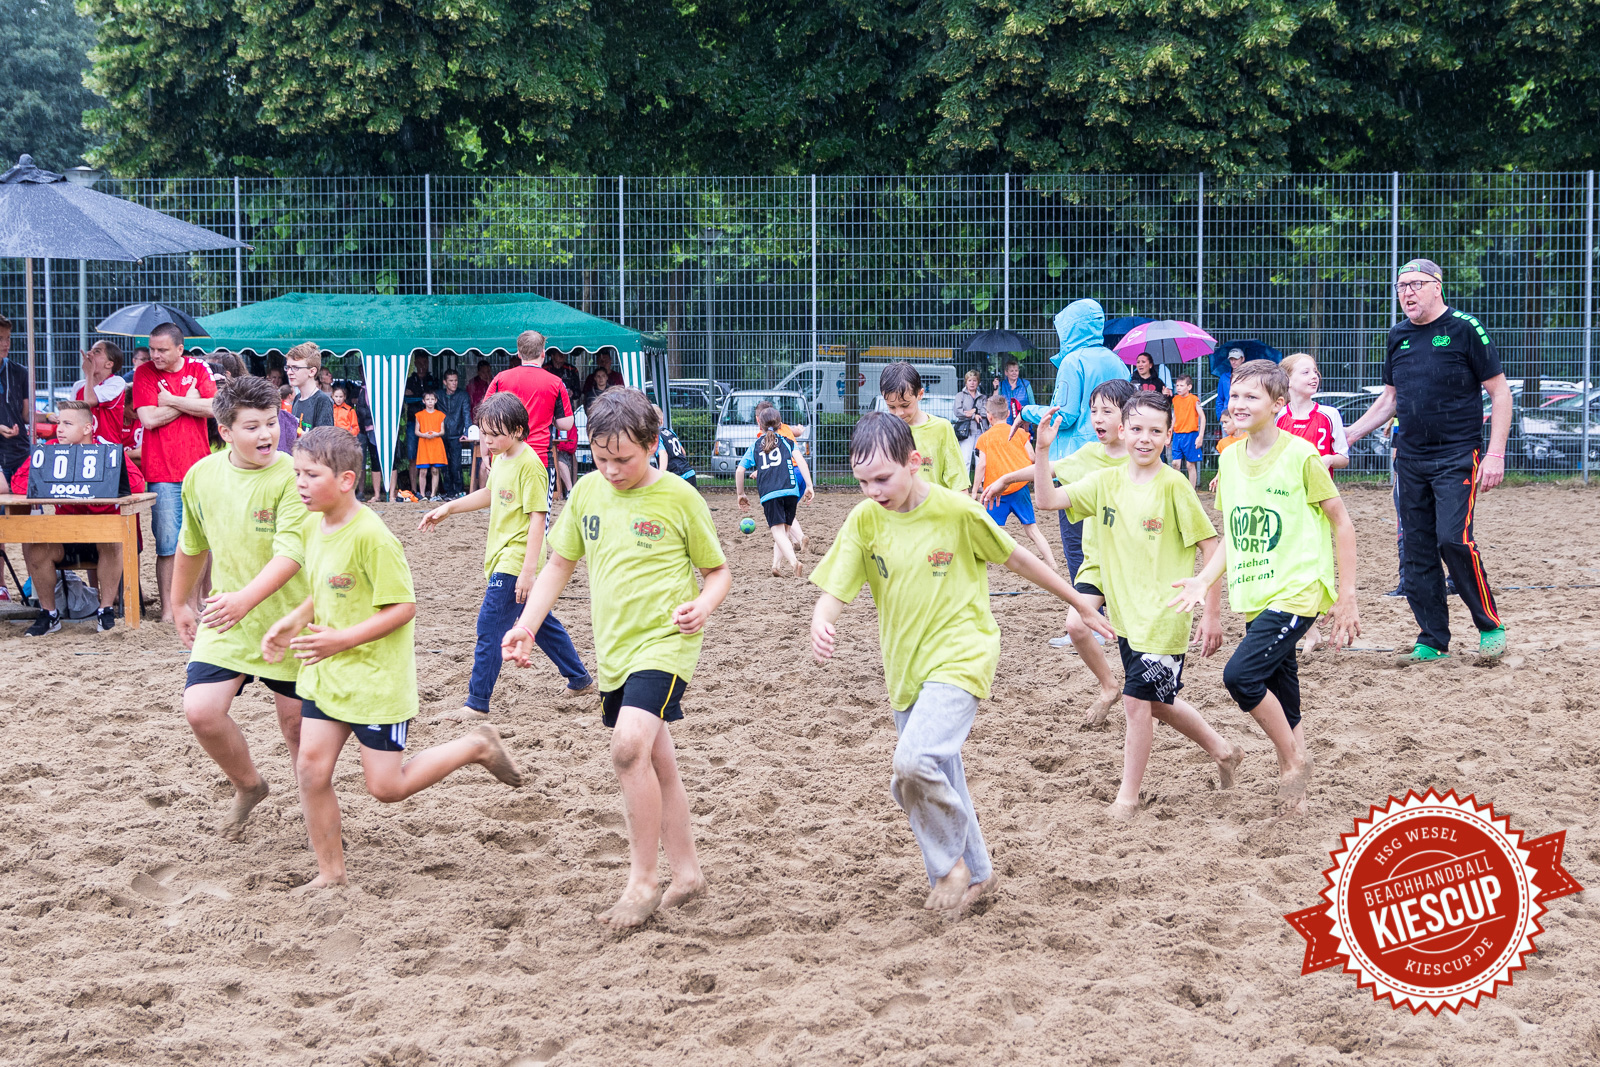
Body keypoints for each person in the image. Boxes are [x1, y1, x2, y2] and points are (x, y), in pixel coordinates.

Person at [810, 413, 1113, 917]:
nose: (872, 491)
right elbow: (837, 586)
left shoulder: (956, 511)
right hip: (904, 669)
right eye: (862, 482)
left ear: (914, 461)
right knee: (938, 774)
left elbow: (1017, 559)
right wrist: (821, 620)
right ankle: (978, 873)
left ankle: (949, 867)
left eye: (882, 478)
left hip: (963, 654)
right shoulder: (864, 519)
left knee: (912, 765)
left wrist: (1078, 601)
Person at [503, 388, 730, 928]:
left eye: (622, 459)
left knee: (628, 749)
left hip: (666, 643)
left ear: (651, 445)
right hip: (615, 650)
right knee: (656, 762)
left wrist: (703, 606)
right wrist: (527, 626)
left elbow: (718, 573)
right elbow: (559, 565)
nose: (610, 470)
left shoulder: (680, 498)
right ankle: (687, 874)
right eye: (600, 458)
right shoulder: (586, 493)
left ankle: (642, 882)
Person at [262, 427, 524, 893]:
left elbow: (403, 608)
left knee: (386, 788)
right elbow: (324, 589)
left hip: (376, 683)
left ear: (346, 480)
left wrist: (341, 640)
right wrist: (292, 621)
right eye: (297, 473)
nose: (299, 483)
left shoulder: (373, 537)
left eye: (311, 474)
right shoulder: (311, 525)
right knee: (310, 770)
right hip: (328, 675)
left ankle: (476, 746)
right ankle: (331, 873)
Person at [1171, 360, 1360, 817]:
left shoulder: (1302, 456)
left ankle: (1294, 763)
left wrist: (1347, 596)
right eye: (1235, 396)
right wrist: (1204, 580)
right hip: (1257, 592)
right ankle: (1297, 798)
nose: (1238, 404)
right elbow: (1234, 535)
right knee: (1283, 692)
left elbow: (1342, 523)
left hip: (1299, 589)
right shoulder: (1229, 458)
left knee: (1240, 677)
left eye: (1251, 397)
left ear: (1278, 404)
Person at [1048, 393, 1241, 821]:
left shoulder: (1174, 485)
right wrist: (1043, 450)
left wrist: (1211, 613)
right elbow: (1046, 500)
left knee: (1136, 703)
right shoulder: (1106, 481)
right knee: (1156, 702)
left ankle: (1127, 799)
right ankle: (1223, 750)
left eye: (1156, 430)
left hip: (1165, 616)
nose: (1145, 438)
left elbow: (1211, 545)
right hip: (1127, 616)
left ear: (1169, 436)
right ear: (1123, 431)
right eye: (1136, 428)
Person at [1344, 258, 1510, 663]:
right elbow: (1390, 399)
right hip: (1410, 458)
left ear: (1437, 286)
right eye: (1401, 286)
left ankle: (1490, 625)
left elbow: (1500, 393)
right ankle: (1433, 639)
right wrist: (1348, 435)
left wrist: (1495, 454)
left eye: (1415, 284)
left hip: (1458, 454)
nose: (1407, 293)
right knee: (1416, 549)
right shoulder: (1398, 335)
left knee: (1453, 539)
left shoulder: (1465, 328)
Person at [170, 376, 310, 839]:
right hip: (228, 616)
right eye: (252, 427)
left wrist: (245, 600)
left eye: (271, 422)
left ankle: (318, 826)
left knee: (296, 728)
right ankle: (249, 785)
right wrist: (179, 602)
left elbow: (291, 555)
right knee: (201, 711)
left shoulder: (295, 475)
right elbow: (192, 544)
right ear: (225, 431)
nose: (266, 434)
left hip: (290, 620)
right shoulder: (201, 475)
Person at [419, 391, 595, 723]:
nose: (487, 441)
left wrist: (528, 571)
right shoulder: (500, 457)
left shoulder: (531, 465)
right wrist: (449, 508)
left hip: (516, 561)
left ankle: (476, 703)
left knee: (489, 626)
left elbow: (538, 519)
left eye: (495, 434)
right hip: (503, 557)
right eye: (484, 433)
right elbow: (490, 493)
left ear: (517, 430)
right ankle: (580, 679)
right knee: (540, 622)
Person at [988, 379, 1135, 689]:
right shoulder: (1090, 453)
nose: (1097, 418)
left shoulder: (1142, 458)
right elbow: (1051, 468)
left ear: (1127, 416)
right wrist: (1006, 479)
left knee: (1134, 644)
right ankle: (1109, 684)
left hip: (1132, 564)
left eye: (1106, 411)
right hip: (1097, 563)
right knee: (1075, 625)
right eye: (1093, 411)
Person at [10, 401, 146, 635]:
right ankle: (49, 614)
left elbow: (137, 484)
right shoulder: (49, 450)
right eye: (59, 423)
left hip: (103, 537)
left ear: (87, 428)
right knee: (36, 546)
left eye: (67, 423)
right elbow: (19, 483)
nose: (59, 429)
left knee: (113, 540)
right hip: (66, 537)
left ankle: (105, 610)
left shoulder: (108, 450)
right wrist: (59, 485)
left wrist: (97, 484)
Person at [1017, 299, 1130, 578]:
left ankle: (1086, 602)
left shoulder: (1072, 361)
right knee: (1112, 537)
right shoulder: (1117, 360)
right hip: (1115, 459)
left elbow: (1064, 415)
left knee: (1077, 544)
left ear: (1070, 329)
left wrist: (1026, 412)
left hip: (1076, 463)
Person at [133, 321, 217, 622]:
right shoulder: (144, 373)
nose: (154, 355)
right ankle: (170, 610)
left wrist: (169, 401)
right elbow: (149, 419)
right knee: (167, 544)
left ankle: (191, 605)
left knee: (200, 542)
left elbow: (214, 408)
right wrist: (189, 402)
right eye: (152, 349)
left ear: (180, 349)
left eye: (162, 350)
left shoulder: (199, 367)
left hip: (199, 470)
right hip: (161, 471)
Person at [971, 394, 1054, 564]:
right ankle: (1052, 563)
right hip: (1019, 488)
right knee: (1032, 530)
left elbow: (982, 465)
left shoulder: (985, 438)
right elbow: (1032, 457)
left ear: (989, 416)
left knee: (985, 530)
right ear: (1008, 413)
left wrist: (974, 492)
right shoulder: (1019, 433)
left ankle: (978, 564)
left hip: (996, 492)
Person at [736, 404, 815, 577]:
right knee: (784, 530)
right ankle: (776, 566)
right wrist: (809, 485)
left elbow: (740, 470)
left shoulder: (756, 445)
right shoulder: (787, 441)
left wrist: (741, 494)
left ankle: (794, 563)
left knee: (777, 532)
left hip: (770, 493)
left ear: (760, 424)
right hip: (791, 491)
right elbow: (801, 462)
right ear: (780, 425)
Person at [485, 330, 576, 473]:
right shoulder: (556, 382)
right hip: (540, 458)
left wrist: (485, 454)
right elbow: (566, 424)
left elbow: (484, 417)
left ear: (519, 354)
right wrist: (551, 418)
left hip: (506, 457)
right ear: (543, 353)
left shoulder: (500, 379)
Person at [879, 362, 968, 491]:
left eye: (905, 405)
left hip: (934, 504)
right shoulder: (884, 432)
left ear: (920, 394)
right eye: (891, 407)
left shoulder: (941, 428)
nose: (899, 413)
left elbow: (958, 482)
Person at [1277, 353, 1349, 471]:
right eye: (1306, 372)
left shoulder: (1330, 414)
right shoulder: (1277, 416)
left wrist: (1330, 459)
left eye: (1315, 371)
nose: (1314, 376)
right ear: (1287, 380)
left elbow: (1344, 458)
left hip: (1319, 482)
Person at [0, 314, 28, 483]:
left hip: (20, 454)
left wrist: (50, 417)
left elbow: (26, 416)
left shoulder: (20, 372)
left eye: (8, 338)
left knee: (26, 498)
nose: (6, 344)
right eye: (0, 338)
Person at [285, 343, 334, 435]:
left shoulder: (322, 401)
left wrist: (299, 433)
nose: (289, 372)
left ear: (312, 371)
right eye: (288, 367)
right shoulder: (297, 398)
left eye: (295, 368)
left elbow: (325, 440)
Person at [438, 368, 471, 497]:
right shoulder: (438, 395)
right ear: (445, 382)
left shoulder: (463, 395)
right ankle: (447, 491)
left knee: (456, 465)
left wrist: (467, 432)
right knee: (444, 465)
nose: (454, 383)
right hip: (441, 435)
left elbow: (466, 414)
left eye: (456, 380)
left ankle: (458, 490)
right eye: (451, 380)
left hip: (457, 435)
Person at [1169, 373, 1205, 489]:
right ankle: (1178, 488)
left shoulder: (1194, 399)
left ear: (1189, 387)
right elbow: (1175, 417)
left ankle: (1191, 491)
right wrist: (1169, 433)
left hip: (1191, 435)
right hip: (1177, 435)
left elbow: (1202, 417)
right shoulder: (1175, 399)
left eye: (1181, 385)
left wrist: (1200, 436)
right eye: (1177, 385)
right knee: (1175, 463)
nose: (1178, 388)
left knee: (1190, 465)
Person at [953, 369, 989, 473]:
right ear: (966, 382)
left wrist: (973, 411)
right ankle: (965, 481)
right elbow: (958, 412)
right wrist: (974, 416)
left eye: (974, 380)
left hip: (981, 430)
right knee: (966, 458)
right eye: (969, 380)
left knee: (980, 459)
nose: (972, 383)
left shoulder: (983, 397)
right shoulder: (960, 395)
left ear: (978, 382)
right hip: (966, 431)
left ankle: (980, 481)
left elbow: (985, 412)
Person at [413, 390, 447, 499]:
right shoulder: (419, 415)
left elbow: (442, 431)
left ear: (436, 400)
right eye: (428, 399)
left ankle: (433, 494)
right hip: (424, 443)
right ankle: (422, 495)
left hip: (436, 444)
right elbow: (416, 431)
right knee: (423, 470)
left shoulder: (440, 415)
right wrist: (424, 435)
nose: (430, 401)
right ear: (423, 401)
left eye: (432, 399)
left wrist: (436, 434)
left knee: (435, 470)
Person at [652, 405, 696, 487]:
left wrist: (660, 476)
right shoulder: (670, 432)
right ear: (661, 420)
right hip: (689, 472)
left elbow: (663, 454)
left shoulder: (657, 437)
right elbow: (683, 452)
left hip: (677, 477)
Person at [996, 357, 1036, 422]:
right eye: (1011, 371)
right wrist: (995, 388)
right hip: (1006, 422)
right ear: (1006, 372)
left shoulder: (1026, 384)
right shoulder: (1001, 385)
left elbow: (1032, 404)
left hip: (1023, 422)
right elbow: (995, 404)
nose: (1014, 373)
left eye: (1016, 371)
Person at [1214, 347, 1246, 421]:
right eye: (1231, 359)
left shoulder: (1248, 377)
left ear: (1243, 359)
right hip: (1227, 415)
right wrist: (1220, 416)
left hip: (1243, 415)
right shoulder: (1224, 377)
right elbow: (1220, 399)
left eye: (1236, 359)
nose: (1233, 362)